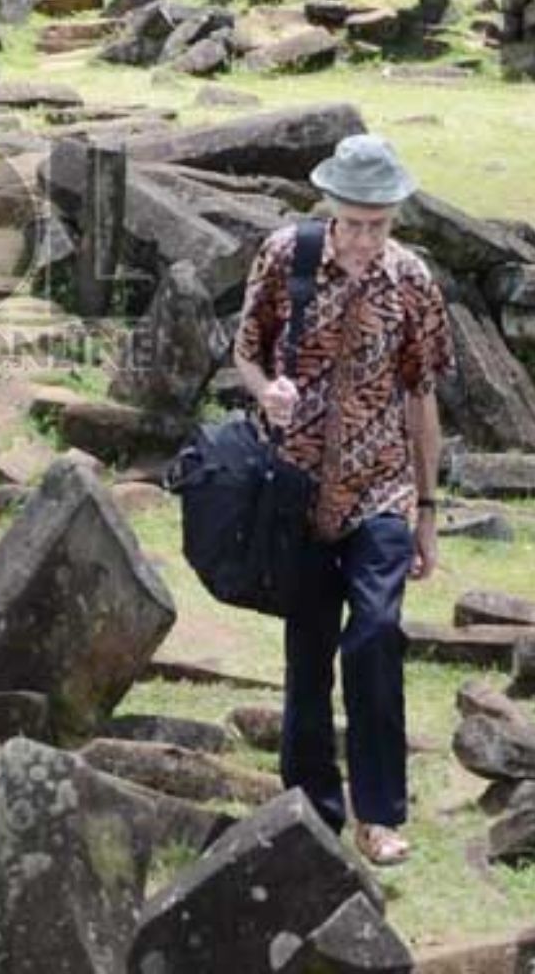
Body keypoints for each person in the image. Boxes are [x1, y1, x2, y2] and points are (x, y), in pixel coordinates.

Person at [230, 134, 453, 868]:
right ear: (330, 207)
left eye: (378, 225)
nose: (363, 239)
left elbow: (422, 398)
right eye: (352, 222)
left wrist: (425, 511)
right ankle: (313, 810)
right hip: (294, 487)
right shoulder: (285, 256)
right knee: (307, 654)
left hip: (380, 487)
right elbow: (245, 353)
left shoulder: (413, 281)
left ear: (394, 218)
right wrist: (270, 392)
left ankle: (381, 815)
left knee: (376, 634)